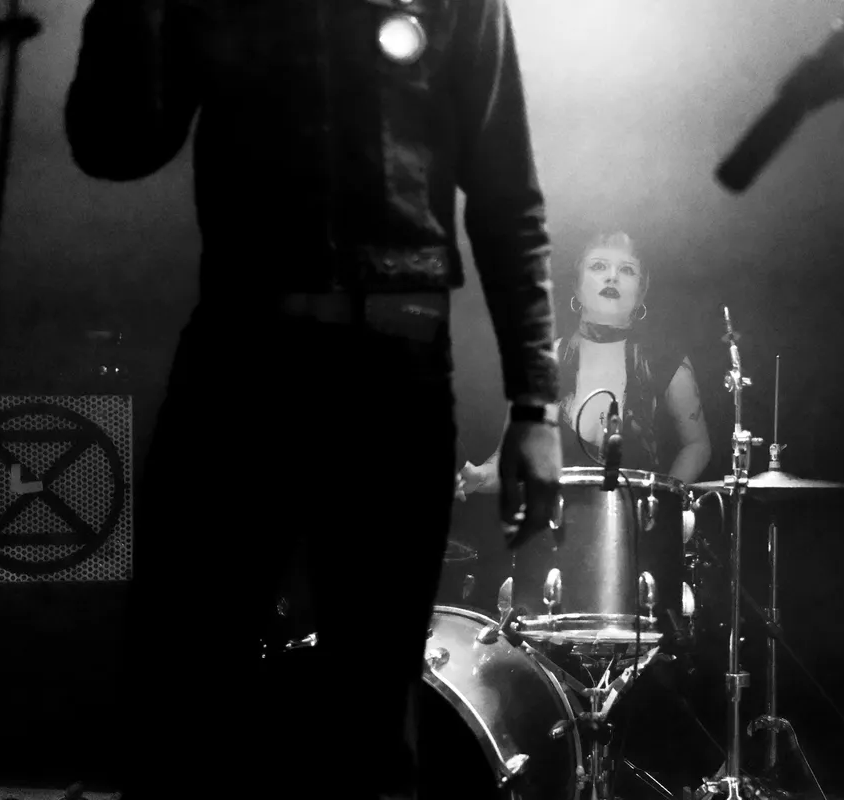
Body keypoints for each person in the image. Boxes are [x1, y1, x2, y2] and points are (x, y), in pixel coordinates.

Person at [65, 1, 561, 798]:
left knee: (368, 702)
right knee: (179, 685)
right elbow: (113, 146)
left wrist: (535, 404)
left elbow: (509, 193)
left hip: (393, 375)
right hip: (243, 360)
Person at [459, 231, 711, 495]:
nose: (612, 276)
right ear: (577, 288)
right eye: (598, 266)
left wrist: (664, 498)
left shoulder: (667, 365)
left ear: (641, 293)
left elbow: (697, 446)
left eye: (627, 270)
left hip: (641, 518)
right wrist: (479, 477)